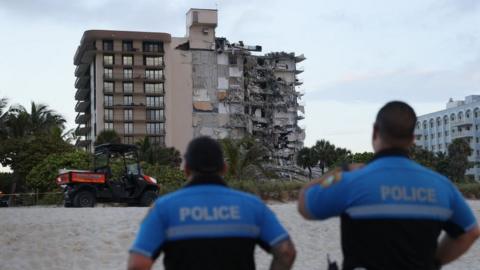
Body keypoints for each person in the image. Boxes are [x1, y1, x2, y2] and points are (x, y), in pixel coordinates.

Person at [298, 101, 480, 270]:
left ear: (375, 131)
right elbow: (470, 232)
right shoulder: (442, 186)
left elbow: (305, 205)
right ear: (412, 139)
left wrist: (339, 171)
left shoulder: (351, 181)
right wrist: (434, 262)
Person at [128, 136, 296, 270]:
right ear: (224, 168)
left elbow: (138, 264)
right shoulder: (252, 206)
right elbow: (286, 252)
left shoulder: (163, 208)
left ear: (186, 169)